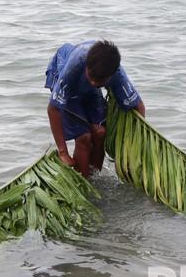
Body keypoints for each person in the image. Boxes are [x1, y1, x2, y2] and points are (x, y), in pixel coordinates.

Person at [45, 40, 145, 177]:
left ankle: (94, 178)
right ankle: (83, 181)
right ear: (87, 66)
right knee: (84, 138)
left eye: (99, 81)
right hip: (66, 80)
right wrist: (63, 153)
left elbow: (138, 106)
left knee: (100, 133)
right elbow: (53, 109)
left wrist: (135, 148)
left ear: (110, 76)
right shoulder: (73, 67)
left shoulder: (117, 75)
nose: (93, 82)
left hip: (89, 90)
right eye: (91, 77)